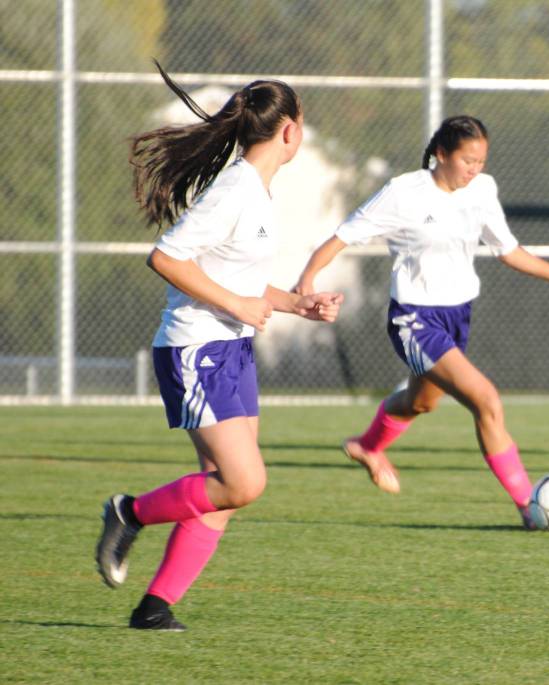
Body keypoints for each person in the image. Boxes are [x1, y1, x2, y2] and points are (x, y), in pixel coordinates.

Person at [94, 61, 343, 631]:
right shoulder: (235, 190)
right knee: (244, 481)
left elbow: (238, 280)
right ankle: (127, 513)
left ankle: (155, 607)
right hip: (195, 351)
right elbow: (166, 256)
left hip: (228, 350)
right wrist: (236, 307)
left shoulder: (254, 192)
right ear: (289, 131)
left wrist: (296, 303)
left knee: (224, 490)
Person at [294, 115, 549, 527]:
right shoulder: (405, 193)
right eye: (468, 160)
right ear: (441, 154)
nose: (475, 169)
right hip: (414, 319)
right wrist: (307, 282)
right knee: (486, 401)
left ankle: (368, 446)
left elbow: (508, 251)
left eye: (481, 161)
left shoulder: (483, 190)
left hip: (457, 315)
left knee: (419, 403)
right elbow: (343, 236)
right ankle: (527, 506)